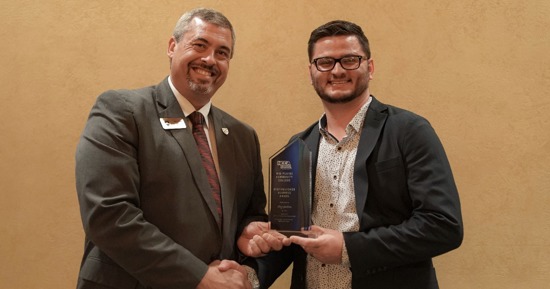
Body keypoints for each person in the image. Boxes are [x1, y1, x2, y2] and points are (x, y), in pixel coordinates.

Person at [257, 20, 464, 289]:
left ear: (370, 67)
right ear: (311, 73)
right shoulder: (297, 147)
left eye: (350, 60)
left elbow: (443, 226)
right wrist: (248, 277)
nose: (338, 70)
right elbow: (290, 237)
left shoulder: (410, 131)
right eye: (325, 62)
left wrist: (348, 248)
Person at [75, 8, 273, 289]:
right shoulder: (121, 111)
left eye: (222, 53)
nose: (210, 59)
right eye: (200, 45)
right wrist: (198, 276)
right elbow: (109, 215)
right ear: (172, 46)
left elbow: (249, 213)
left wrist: (247, 232)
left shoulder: (242, 136)